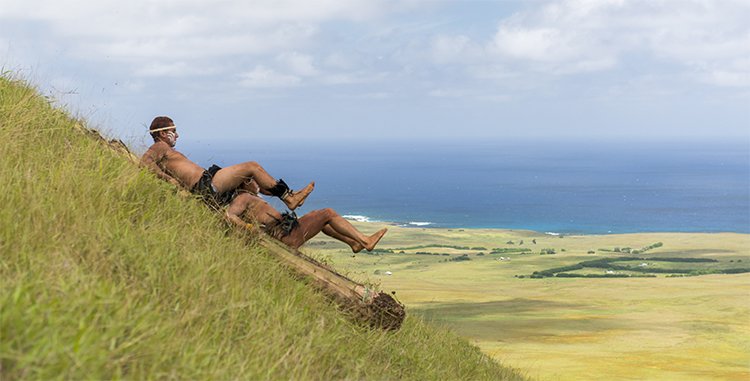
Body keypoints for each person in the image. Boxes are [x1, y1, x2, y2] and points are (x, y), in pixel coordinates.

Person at [140, 116, 314, 208]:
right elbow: (144, 163)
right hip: (204, 186)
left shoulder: (167, 150)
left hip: (208, 180)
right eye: (173, 131)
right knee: (252, 166)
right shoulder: (160, 147)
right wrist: (167, 179)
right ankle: (289, 198)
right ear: (162, 134)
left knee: (249, 182)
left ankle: (288, 197)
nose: (177, 135)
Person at [226, 180, 387, 253]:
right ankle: (365, 241)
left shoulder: (251, 197)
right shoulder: (243, 198)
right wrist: (249, 228)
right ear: (244, 183)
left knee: (321, 222)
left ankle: (354, 243)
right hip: (284, 236)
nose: (258, 185)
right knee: (327, 213)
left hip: (285, 231)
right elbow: (229, 215)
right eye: (253, 181)